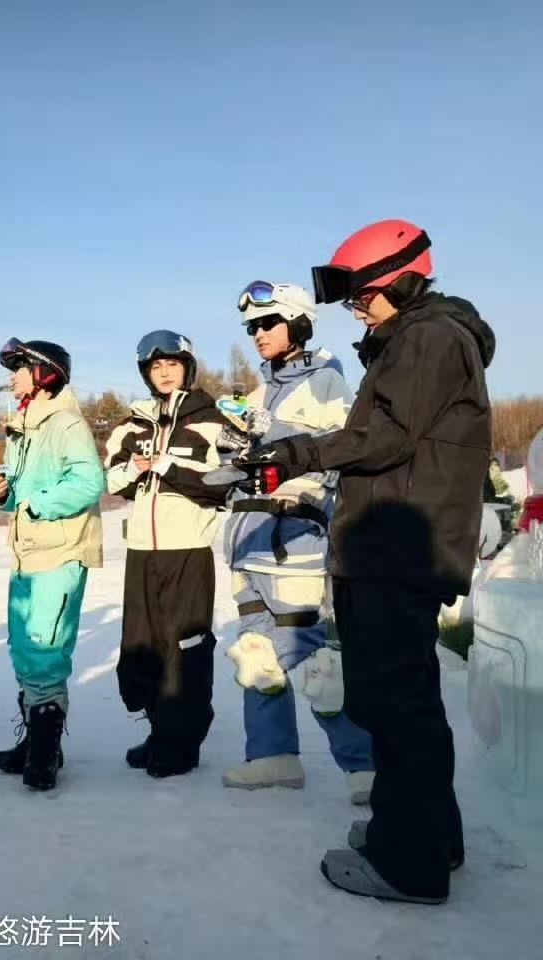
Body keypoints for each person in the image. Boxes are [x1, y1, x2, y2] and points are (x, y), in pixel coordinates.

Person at [237, 220, 494, 904]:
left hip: (397, 548)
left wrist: (297, 453)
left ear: (400, 281)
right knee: (404, 701)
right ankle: (426, 835)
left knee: (395, 705)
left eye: (361, 293)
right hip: (397, 543)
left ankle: (407, 863)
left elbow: (384, 436)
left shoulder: (427, 336)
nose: (354, 307)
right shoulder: (419, 337)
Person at [219, 282, 374, 802]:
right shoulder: (258, 390)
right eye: (252, 327)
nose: (258, 334)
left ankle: (364, 766)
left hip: (295, 538)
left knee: (308, 659)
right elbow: (247, 466)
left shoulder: (327, 381)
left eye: (269, 323)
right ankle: (273, 756)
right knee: (257, 655)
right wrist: (231, 449)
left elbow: (341, 453)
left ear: (299, 324)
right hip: (248, 539)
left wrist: (274, 432)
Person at [103, 330, 234, 777]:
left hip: (188, 550)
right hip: (142, 549)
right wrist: (133, 468)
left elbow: (223, 483)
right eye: (155, 367)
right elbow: (111, 480)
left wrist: (170, 467)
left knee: (185, 648)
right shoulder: (133, 424)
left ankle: (181, 743)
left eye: (172, 364)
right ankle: (160, 731)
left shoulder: (212, 421)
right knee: (145, 646)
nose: (163, 373)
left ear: (187, 368)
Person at [0, 338, 105, 790]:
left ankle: (44, 755)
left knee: (45, 650)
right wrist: (5, 496)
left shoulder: (66, 423)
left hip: (59, 551)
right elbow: (20, 491)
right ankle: (38, 744)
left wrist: (37, 504)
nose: (12, 377)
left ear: (44, 374)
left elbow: (88, 481)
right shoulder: (24, 426)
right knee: (24, 650)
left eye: (19, 368)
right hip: (26, 551)